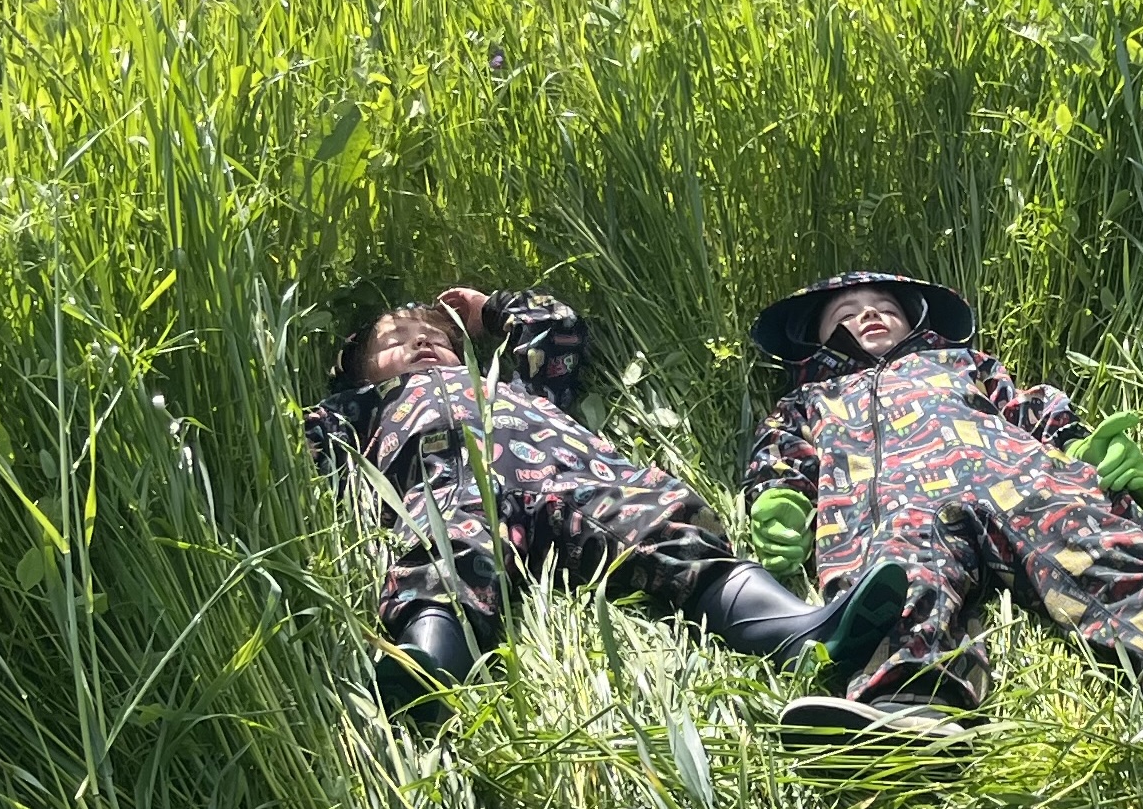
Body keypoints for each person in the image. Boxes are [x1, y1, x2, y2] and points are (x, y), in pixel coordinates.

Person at [740, 272, 1143, 753]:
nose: (865, 315)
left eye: (882, 306)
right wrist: (778, 502)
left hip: (1014, 473)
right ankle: (905, 709)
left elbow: (1032, 407)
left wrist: (1085, 446)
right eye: (843, 314)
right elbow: (780, 458)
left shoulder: (962, 364)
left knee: (1088, 535)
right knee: (894, 581)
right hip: (887, 500)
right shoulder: (809, 399)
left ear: (914, 320)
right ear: (814, 341)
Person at [305, 286, 910, 724]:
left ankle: (794, 628)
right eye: (400, 342)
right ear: (357, 369)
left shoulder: (511, 383)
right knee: (447, 548)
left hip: (572, 472)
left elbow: (557, 328)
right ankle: (434, 661)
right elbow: (307, 449)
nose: (425, 345)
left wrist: (488, 311)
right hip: (456, 478)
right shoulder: (364, 405)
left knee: (662, 524)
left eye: (436, 337)